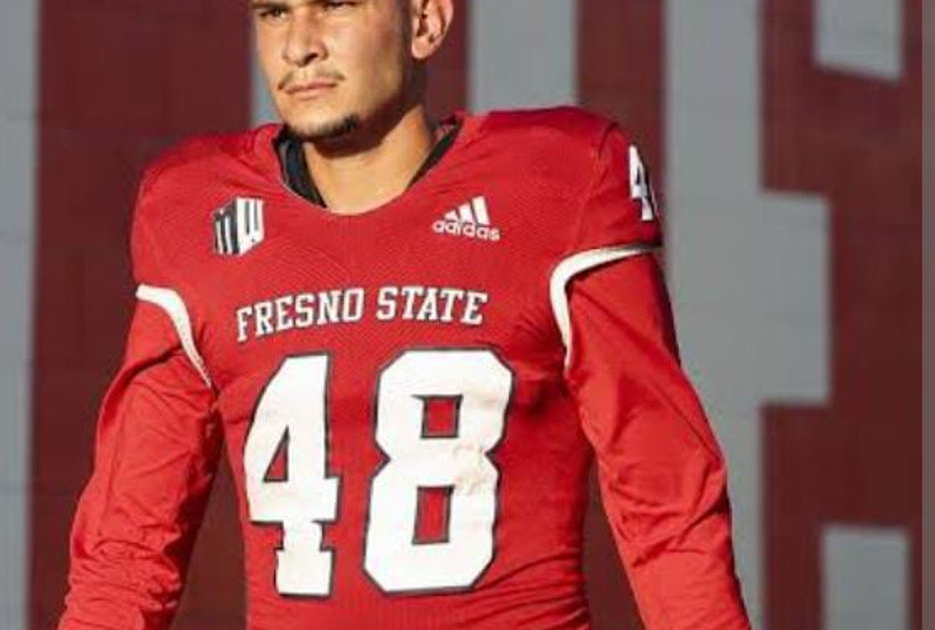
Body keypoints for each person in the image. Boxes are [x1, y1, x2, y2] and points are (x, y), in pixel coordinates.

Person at [56, 0, 752, 629]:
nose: (299, 45)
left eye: (335, 6)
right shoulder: (194, 211)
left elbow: (666, 501)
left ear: (424, 22)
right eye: (273, 12)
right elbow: (129, 546)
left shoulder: (558, 184)